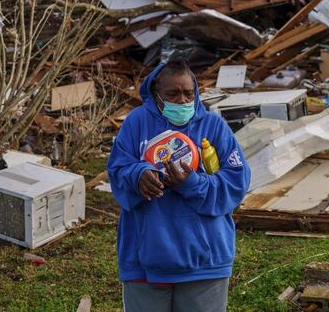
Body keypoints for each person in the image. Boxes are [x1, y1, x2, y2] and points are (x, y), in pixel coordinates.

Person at [107, 59, 251, 312]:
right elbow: (117, 170)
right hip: (145, 259)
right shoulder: (137, 123)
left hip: (205, 261)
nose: (183, 101)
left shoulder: (213, 126)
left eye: (188, 93)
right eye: (172, 94)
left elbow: (236, 182)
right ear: (155, 94)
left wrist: (192, 183)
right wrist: (139, 176)